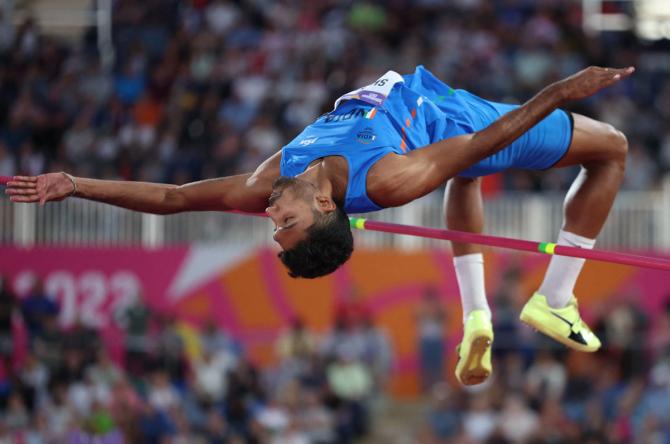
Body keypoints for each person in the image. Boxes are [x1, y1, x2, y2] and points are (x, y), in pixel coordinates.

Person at [5, 65, 634, 385]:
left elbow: (172, 197)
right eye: (285, 223)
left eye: (274, 222)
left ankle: (477, 318)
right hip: (455, 120)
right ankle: (554, 298)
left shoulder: (267, 181)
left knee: (459, 172)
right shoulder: (388, 182)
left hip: (434, 127)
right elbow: (491, 136)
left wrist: (79, 182)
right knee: (611, 148)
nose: (271, 214)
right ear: (326, 209)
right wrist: (563, 89)